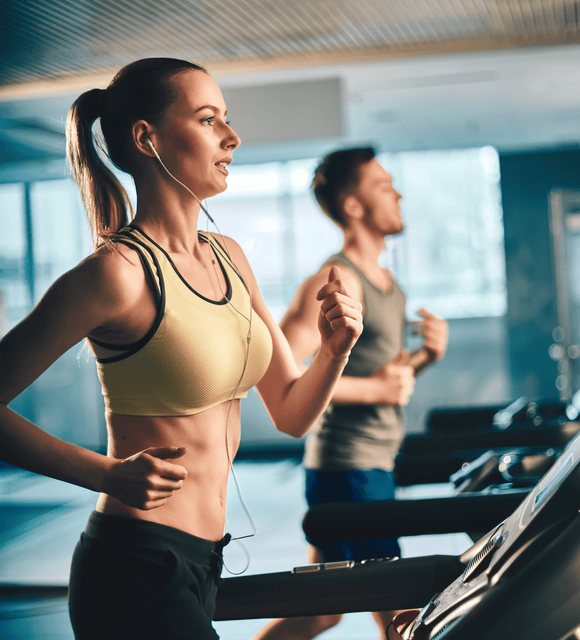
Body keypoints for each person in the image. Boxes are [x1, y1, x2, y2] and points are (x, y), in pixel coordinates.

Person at [0, 58, 363, 640]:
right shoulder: (116, 275)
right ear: (148, 138)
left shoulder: (229, 255)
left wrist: (336, 349)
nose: (232, 136)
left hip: (204, 560)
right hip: (134, 566)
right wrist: (107, 475)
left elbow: (292, 412)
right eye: (208, 119)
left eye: (226, 119)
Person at [253, 147, 448, 640]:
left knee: (323, 611)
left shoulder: (389, 285)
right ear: (354, 206)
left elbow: (387, 383)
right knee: (402, 615)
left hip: (370, 465)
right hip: (348, 469)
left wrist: (425, 359)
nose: (398, 193)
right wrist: (375, 388)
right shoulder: (334, 279)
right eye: (383, 186)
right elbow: (284, 369)